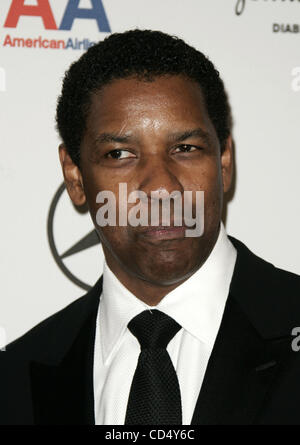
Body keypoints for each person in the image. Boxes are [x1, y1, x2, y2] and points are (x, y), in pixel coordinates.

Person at [1, 29, 300, 426]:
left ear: (224, 161)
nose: (161, 187)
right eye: (120, 154)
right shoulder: (16, 378)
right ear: (74, 176)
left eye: (186, 148)